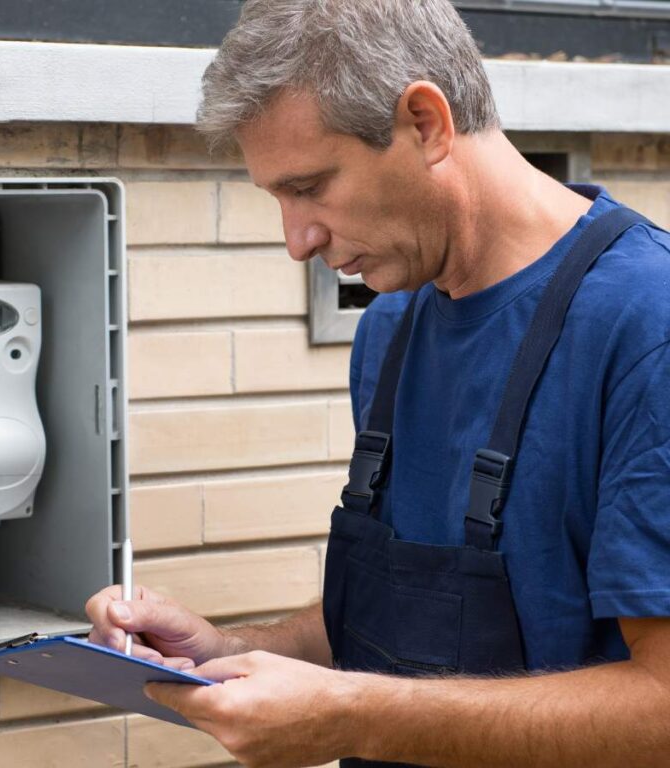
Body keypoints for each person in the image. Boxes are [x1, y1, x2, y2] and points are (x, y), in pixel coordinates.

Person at [86, 1, 670, 766]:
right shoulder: (390, 332)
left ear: (426, 122)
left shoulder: (644, 327)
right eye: (279, 201)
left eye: (311, 187)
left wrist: (351, 715)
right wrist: (226, 650)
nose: (298, 242)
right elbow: (409, 623)